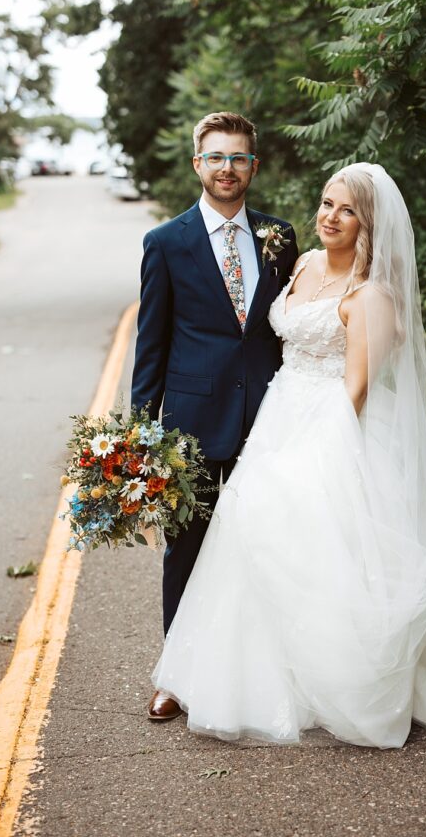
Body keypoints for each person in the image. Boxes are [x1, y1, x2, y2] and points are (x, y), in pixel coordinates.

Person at [152, 162, 426, 748]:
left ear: (368, 223)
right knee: (254, 543)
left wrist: (315, 454)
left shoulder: (370, 295)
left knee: (320, 554)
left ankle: (337, 682)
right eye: (327, 204)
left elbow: (356, 387)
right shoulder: (298, 263)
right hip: (278, 416)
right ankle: (255, 677)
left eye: (347, 209)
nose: (330, 217)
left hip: (328, 430)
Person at [131, 111, 299, 721]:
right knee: (188, 551)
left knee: (265, 547)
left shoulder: (280, 237)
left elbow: (285, 335)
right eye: (216, 158)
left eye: (239, 158)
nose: (228, 169)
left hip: (268, 420)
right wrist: (141, 439)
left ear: (255, 165)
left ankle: (268, 669)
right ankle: (176, 675)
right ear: (197, 164)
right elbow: (151, 345)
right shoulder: (166, 243)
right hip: (189, 426)